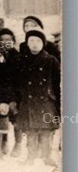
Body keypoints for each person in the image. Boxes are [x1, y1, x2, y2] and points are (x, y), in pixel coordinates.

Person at [15, 29, 59, 164]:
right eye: (31, 41)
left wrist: (58, 102)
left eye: (38, 41)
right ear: (27, 43)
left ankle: (47, 156)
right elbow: (16, 82)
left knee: (46, 131)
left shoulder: (51, 60)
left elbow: (57, 83)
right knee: (30, 131)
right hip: (28, 101)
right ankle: (30, 157)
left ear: (43, 43)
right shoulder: (22, 60)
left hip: (46, 101)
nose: (34, 44)